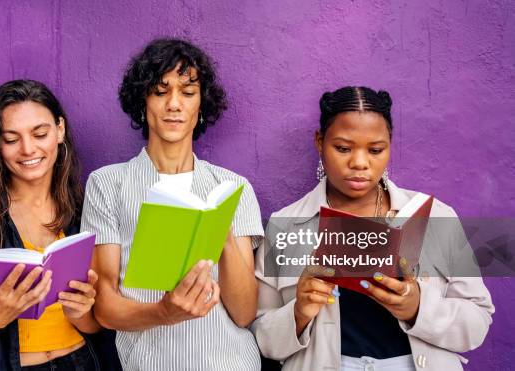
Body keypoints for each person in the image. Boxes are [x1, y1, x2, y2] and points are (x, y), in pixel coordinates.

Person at [251, 86, 494, 371]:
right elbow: (262, 337)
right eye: (343, 148)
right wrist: (298, 312)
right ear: (319, 142)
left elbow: (477, 322)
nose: (360, 163)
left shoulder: (435, 217)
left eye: (376, 150)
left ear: (390, 145)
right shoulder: (286, 225)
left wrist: (418, 309)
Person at [81, 38, 263, 370]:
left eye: (188, 92)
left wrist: (220, 232)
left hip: (230, 361)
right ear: (143, 102)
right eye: (160, 91)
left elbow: (245, 312)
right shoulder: (107, 184)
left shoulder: (234, 188)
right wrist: (163, 313)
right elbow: (104, 307)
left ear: (201, 106)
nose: (174, 104)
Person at [0, 80, 107, 370]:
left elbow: (99, 326)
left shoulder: (86, 207)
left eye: (40, 134)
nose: (28, 149)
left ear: (60, 130)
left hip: (82, 362)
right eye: (11, 139)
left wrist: (81, 313)